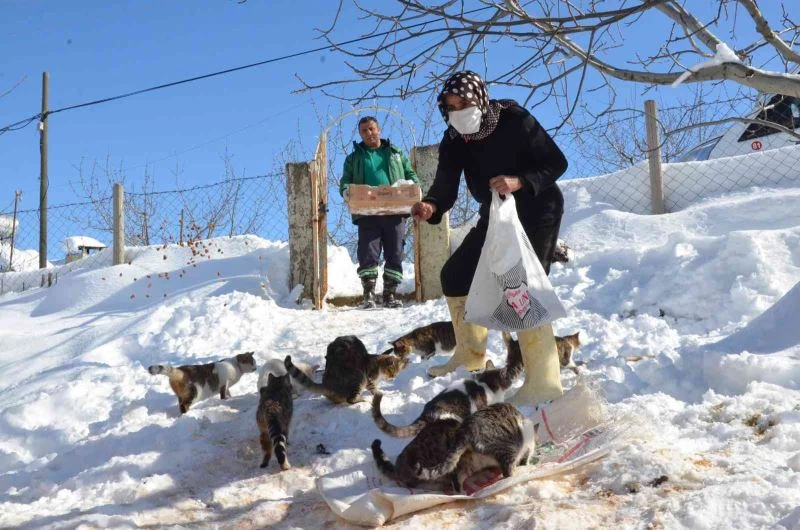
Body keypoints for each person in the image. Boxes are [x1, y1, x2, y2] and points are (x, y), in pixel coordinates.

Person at [411, 71, 567, 405]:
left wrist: (519, 180)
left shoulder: (514, 119)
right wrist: (431, 204)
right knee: (455, 275)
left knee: (523, 289)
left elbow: (556, 162)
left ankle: (544, 380)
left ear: (480, 98)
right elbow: (445, 185)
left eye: (464, 103)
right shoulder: (454, 140)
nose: (459, 112)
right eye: (451, 107)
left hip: (538, 209)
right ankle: (470, 355)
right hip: (495, 213)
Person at [341, 116, 420, 309]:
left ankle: (389, 295)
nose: (369, 133)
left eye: (371, 129)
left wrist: (412, 187)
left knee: (395, 251)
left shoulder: (395, 153)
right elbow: (345, 181)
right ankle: (368, 294)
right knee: (368, 252)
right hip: (367, 212)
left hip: (395, 211)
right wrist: (346, 192)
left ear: (379, 129)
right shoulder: (354, 158)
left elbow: (411, 175)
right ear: (360, 134)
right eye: (364, 131)